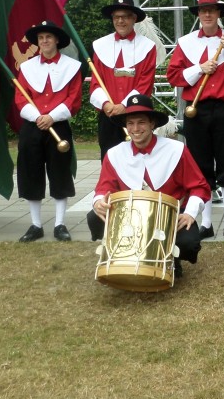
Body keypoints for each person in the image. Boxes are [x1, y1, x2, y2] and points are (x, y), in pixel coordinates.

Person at [86, 95, 209, 274]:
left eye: (141, 122)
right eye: (130, 123)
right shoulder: (115, 153)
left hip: (168, 217)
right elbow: (104, 187)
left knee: (188, 243)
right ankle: (121, 253)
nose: (135, 129)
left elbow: (199, 186)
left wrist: (189, 213)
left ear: (152, 124)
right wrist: (98, 201)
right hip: (130, 217)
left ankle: (173, 258)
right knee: (94, 217)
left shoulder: (175, 150)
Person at [166, 0, 224, 244]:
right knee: (201, 165)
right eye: (203, 10)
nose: (206, 14)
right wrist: (199, 69)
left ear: (219, 14)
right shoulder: (186, 42)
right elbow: (173, 76)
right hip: (197, 110)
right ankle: (206, 223)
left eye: (211, 10)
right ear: (199, 15)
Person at [14, 20, 83, 243]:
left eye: (49, 37)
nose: (44, 41)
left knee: (60, 173)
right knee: (31, 173)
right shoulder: (27, 67)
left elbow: (74, 99)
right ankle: (35, 225)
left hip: (58, 125)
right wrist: (38, 118)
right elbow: (20, 98)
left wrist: (52, 117)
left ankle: (59, 224)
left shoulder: (71, 67)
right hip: (32, 127)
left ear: (56, 41)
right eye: (41, 38)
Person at [89, 0, 157, 159]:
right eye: (117, 17)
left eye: (125, 17)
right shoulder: (100, 45)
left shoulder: (147, 47)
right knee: (109, 157)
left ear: (134, 19)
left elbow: (145, 84)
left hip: (136, 114)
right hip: (109, 114)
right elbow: (96, 82)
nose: (120, 21)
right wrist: (106, 105)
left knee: (138, 156)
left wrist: (124, 106)